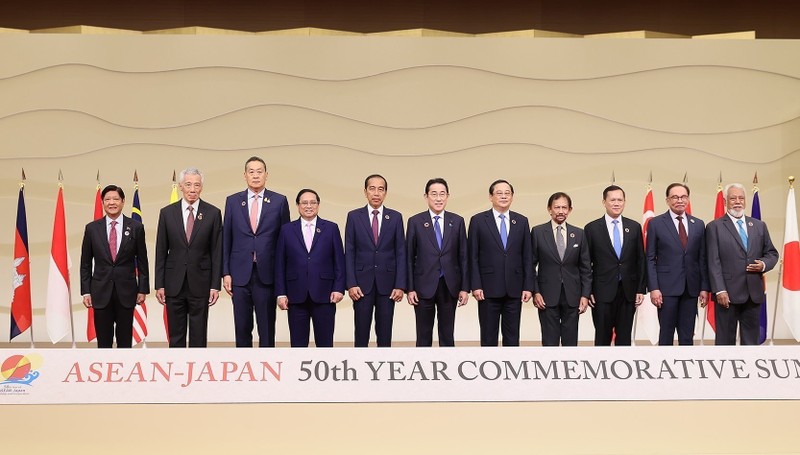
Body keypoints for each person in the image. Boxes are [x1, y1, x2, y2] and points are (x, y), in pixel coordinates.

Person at [222, 156, 290, 347]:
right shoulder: (233, 201)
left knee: (266, 327)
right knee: (242, 326)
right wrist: (226, 272)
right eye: (251, 172)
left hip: (267, 274)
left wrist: (282, 277)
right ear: (244, 176)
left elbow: (285, 242)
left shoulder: (279, 201)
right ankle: (245, 370)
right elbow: (227, 238)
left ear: (266, 175)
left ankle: (267, 370)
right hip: (239, 274)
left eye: (259, 171)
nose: (255, 175)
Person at [155, 167, 222, 348]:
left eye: (197, 185)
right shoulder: (167, 213)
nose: (192, 189)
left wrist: (215, 285)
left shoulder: (213, 213)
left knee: (198, 336)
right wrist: (159, 284)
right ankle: (177, 373)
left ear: (201, 188)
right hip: (173, 282)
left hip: (201, 282)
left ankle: (197, 373)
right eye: (188, 185)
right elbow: (161, 251)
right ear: (181, 186)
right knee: (175, 336)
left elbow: (216, 251)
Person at [706, 182, 778, 345]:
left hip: (753, 293)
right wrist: (719, 290)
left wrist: (764, 264)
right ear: (725, 202)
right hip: (727, 295)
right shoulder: (714, 227)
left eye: (741, 198)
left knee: (751, 343)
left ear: (745, 201)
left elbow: (772, 253)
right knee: (725, 342)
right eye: (733, 198)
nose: (737, 201)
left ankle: (749, 371)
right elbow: (713, 261)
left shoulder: (759, 226)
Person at [80, 185, 149, 348]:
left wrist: (142, 289)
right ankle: (105, 373)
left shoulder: (135, 227)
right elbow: (85, 263)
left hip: (127, 291)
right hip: (100, 291)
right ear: (102, 202)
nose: (112, 203)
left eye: (116, 199)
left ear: (123, 201)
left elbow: (142, 260)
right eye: (108, 199)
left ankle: (124, 371)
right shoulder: (92, 228)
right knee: (103, 341)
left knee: (125, 340)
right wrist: (86, 291)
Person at [275, 189, 345, 347]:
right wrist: (281, 293)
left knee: (325, 344)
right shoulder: (286, 230)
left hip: (325, 294)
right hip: (295, 295)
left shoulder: (331, 228)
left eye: (313, 202)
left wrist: (339, 288)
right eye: (304, 203)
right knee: (298, 346)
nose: (309, 206)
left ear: (318, 205)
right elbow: (279, 264)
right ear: (298, 206)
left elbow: (339, 261)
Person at [468, 179, 534, 346]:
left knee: (512, 338)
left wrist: (528, 286)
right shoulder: (478, 220)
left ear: (512, 197)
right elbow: (472, 256)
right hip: (487, 289)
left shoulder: (521, 221)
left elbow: (527, 256)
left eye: (507, 193)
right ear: (491, 197)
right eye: (499, 193)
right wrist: (475, 285)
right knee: (488, 337)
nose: (503, 196)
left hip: (515, 288)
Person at [406, 178, 469, 347]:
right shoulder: (415, 221)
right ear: (426, 196)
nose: (438, 198)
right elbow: (409, 257)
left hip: (450, 285)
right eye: (434, 194)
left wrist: (464, 288)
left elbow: (463, 256)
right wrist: (410, 288)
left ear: (448, 196)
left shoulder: (457, 221)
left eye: (442, 194)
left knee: (447, 334)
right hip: (423, 285)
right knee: (423, 334)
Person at [345, 174, 406, 347]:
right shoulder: (354, 216)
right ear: (365, 192)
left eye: (381, 189)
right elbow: (349, 251)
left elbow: (401, 252)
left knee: (385, 335)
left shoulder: (395, 217)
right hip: (361, 286)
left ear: (386, 193)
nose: (376, 193)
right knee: (361, 335)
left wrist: (400, 285)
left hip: (388, 285)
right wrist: (351, 284)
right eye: (372, 188)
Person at [646, 183, 709, 345]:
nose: (679, 200)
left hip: (691, 288)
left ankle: (686, 369)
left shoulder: (699, 224)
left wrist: (704, 287)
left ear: (688, 199)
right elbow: (650, 258)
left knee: (687, 335)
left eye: (683, 197)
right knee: (666, 334)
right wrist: (654, 288)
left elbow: (702, 259)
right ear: (667, 200)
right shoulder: (656, 223)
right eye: (675, 197)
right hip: (666, 289)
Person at [584, 184, 646, 346]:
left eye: (620, 200)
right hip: (601, 292)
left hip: (628, 291)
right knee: (602, 336)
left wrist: (640, 288)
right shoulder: (591, 229)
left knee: (624, 337)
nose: (616, 203)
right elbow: (585, 263)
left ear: (624, 202)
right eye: (612, 200)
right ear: (604, 202)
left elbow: (640, 260)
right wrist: (588, 290)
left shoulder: (633, 227)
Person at [530, 192, 591, 346]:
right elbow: (530, 266)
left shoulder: (579, 234)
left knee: (570, 343)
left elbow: (585, 268)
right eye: (557, 207)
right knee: (549, 342)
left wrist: (585, 295)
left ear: (570, 210)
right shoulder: (537, 232)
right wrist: (535, 292)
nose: (561, 211)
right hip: (546, 295)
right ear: (549, 209)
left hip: (573, 295)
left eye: (564, 207)